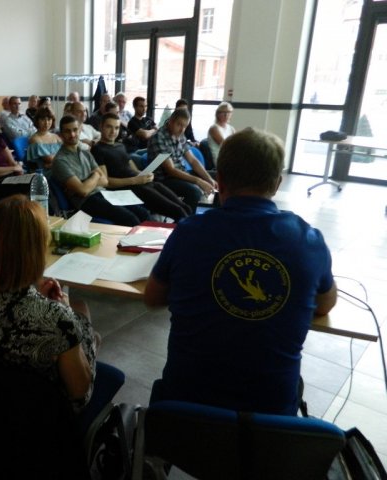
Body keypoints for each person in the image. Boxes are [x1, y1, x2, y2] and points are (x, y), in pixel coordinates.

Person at [144, 128, 337, 416]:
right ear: (277, 183)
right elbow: (325, 305)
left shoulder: (189, 232)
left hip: (186, 412)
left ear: (220, 181)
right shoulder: (308, 240)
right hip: (270, 418)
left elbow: (152, 298)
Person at [0, 194, 101, 412]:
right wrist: (69, 317)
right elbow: (80, 393)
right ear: (37, 252)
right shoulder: (57, 320)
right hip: (41, 420)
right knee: (86, 323)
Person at [52, 115, 150, 227]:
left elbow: (105, 181)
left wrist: (87, 182)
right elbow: (83, 191)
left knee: (144, 213)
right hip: (86, 201)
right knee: (131, 219)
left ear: (79, 130)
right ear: (61, 134)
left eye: (75, 130)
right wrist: (95, 175)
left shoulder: (85, 152)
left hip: (104, 193)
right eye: (67, 131)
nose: (72, 134)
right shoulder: (60, 160)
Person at [92, 114, 191, 222]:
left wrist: (144, 174)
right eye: (109, 127)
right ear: (101, 127)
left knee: (186, 208)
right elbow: (107, 182)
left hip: (140, 183)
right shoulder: (98, 150)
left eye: (116, 128)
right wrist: (136, 180)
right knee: (179, 212)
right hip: (126, 188)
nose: (113, 131)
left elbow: (131, 166)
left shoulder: (120, 145)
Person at [147, 107, 217, 212]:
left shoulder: (180, 135)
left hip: (180, 173)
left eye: (185, 126)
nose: (182, 129)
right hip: (164, 179)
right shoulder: (158, 138)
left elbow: (192, 161)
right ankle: (184, 218)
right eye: (179, 125)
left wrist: (208, 179)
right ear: (170, 121)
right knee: (194, 192)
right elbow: (171, 170)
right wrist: (198, 181)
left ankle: (216, 215)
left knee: (216, 176)